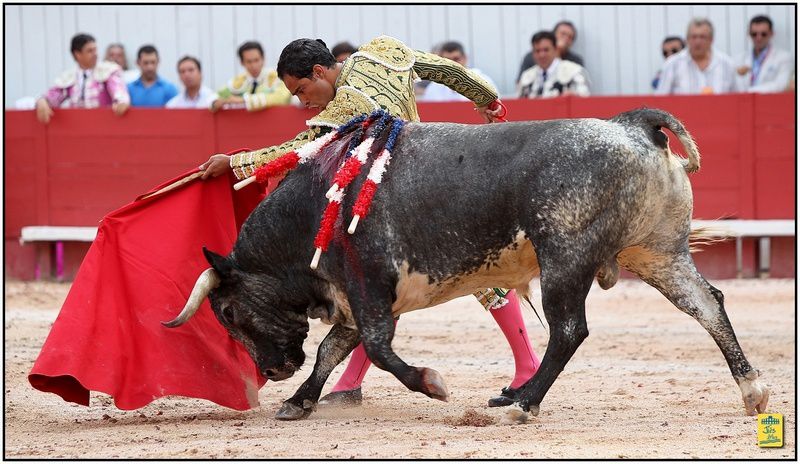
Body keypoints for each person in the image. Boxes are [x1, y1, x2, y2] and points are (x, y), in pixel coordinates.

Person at [200, 35, 542, 408]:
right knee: (465, 278)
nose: (304, 101)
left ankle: (350, 384)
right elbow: (443, 69)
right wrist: (487, 100)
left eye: (302, 90)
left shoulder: (345, 108)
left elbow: (299, 149)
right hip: (433, 180)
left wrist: (236, 163)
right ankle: (524, 365)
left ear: (319, 71)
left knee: (371, 287)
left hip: (395, 204)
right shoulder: (382, 52)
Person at [35, 33, 130, 124]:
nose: (95, 54)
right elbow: (54, 96)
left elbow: (118, 90)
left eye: (95, 50)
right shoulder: (69, 77)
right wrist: (43, 101)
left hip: (104, 126)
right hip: (77, 128)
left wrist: (121, 101)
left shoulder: (108, 71)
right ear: (77, 54)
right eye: (90, 51)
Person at [655, 18, 737, 95]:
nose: (697, 42)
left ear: (711, 39)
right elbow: (660, 100)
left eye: (702, 37)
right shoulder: (672, 64)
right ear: (687, 39)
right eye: (694, 37)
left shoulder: (727, 64)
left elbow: (737, 100)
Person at [210, 41, 292, 112]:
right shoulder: (238, 81)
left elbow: (282, 98)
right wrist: (216, 102)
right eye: (249, 62)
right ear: (242, 63)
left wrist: (244, 101)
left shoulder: (276, 77)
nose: (254, 65)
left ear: (263, 59)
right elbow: (213, 98)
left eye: (256, 60)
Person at [418, 41, 498, 102]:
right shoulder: (434, 87)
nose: (452, 64)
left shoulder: (484, 82)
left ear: (465, 58)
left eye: (456, 59)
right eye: (447, 60)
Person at [518, 31, 590, 98]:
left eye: (546, 50)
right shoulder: (527, 76)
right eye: (537, 51)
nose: (542, 55)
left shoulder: (574, 71)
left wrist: (574, 96)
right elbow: (520, 105)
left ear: (555, 50)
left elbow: (584, 99)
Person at [734, 15, 793, 93]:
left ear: (771, 34)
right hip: (744, 103)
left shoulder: (784, 58)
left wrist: (750, 91)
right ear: (749, 34)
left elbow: (781, 85)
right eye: (754, 34)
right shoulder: (739, 59)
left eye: (763, 34)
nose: (759, 38)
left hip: (771, 103)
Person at [517, 20, 583, 83]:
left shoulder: (575, 60)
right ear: (553, 34)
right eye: (563, 34)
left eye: (570, 37)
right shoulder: (531, 56)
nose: (566, 38)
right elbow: (520, 83)